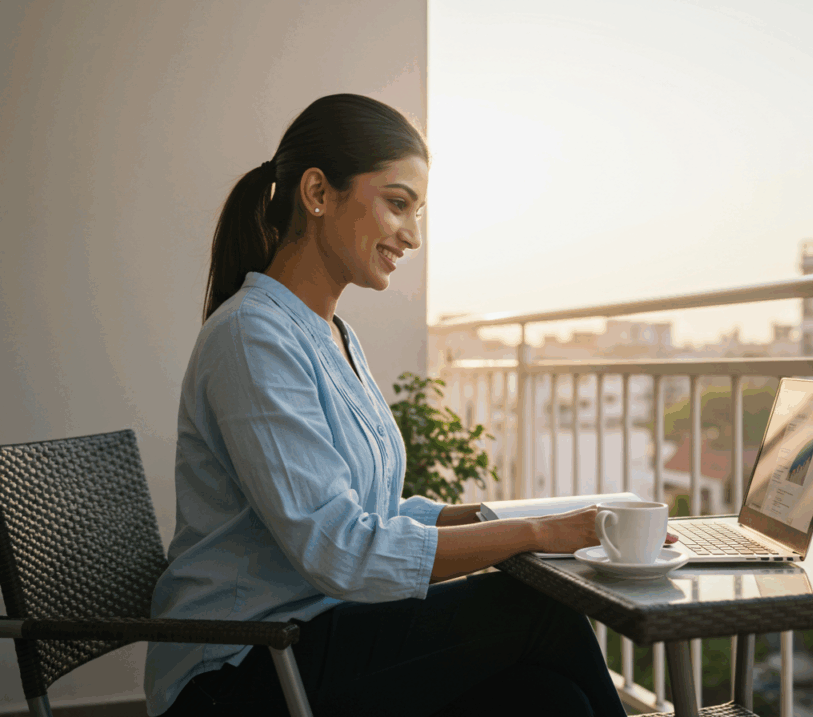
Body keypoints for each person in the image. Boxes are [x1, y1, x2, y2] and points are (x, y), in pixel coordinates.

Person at [144, 94, 669, 717]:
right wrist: (537, 534)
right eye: (398, 203)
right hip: (240, 671)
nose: (413, 235)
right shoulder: (251, 336)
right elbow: (339, 548)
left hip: (319, 638)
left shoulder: (332, 334)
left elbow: (375, 512)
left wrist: (509, 515)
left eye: (417, 212)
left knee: (548, 700)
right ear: (317, 192)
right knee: (537, 609)